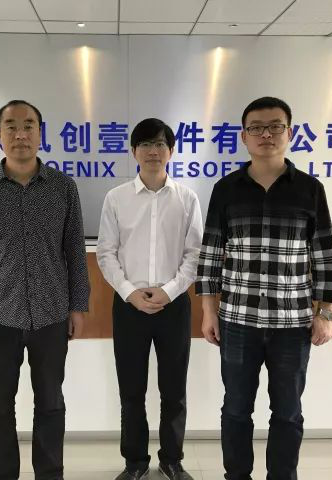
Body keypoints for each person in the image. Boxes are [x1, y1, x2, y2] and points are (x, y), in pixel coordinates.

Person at [196, 97, 332, 480]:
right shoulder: (226, 189)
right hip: (237, 321)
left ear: (289, 133)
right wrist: (209, 312)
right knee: (236, 409)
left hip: (292, 324)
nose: (266, 134)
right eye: (257, 128)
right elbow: (210, 254)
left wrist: (325, 313)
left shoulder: (310, 189)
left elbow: (325, 256)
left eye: (275, 126)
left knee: (288, 412)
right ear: (244, 136)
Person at [0, 100, 90, 480]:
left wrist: (78, 306)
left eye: (29, 125)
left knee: (50, 404)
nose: (20, 134)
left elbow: (75, 252)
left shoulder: (63, 188)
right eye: (11, 126)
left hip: (52, 314)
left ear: (40, 133)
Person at [97, 118, 204, 480]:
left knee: (174, 390)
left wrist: (169, 291)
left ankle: (172, 460)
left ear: (171, 151)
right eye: (145, 144)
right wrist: (130, 293)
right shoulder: (117, 198)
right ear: (134, 152)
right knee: (131, 391)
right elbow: (106, 253)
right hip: (129, 306)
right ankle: (135, 462)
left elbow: (195, 255)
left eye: (160, 144)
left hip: (174, 305)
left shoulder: (187, 198)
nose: (153, 151)